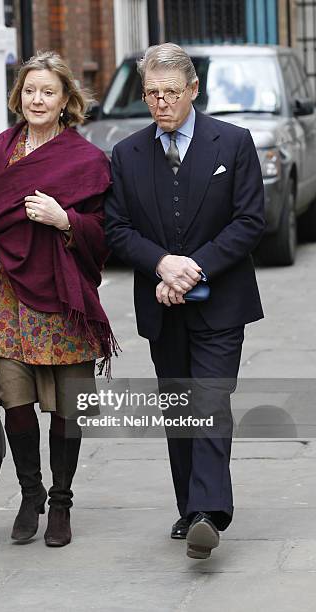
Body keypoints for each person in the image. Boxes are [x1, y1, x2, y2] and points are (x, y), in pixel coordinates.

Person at [105, 43, 265, 559]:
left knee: (211, 401)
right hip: (161, 305)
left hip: (221, 303)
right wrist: (161, 263)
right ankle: (189, 506)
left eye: (170, 93)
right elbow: (117, 229)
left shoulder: (234, 143)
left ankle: (208, 512)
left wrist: (190, 267)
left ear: (194, 91)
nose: (160, 103)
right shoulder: (127, 154)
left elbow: (249, 222)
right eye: (151, 93)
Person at [0, 51, 117, 547]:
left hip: (66, 295)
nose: (37, 99)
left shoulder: (87, 160)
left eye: (47, 91)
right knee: (15, 400)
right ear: (18, 96)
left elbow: (106, 235)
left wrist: (65, 220)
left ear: (66, 100)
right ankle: (31, 494)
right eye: (29, 90)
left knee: (68, 408)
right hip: (9, 297)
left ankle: (61, 503)